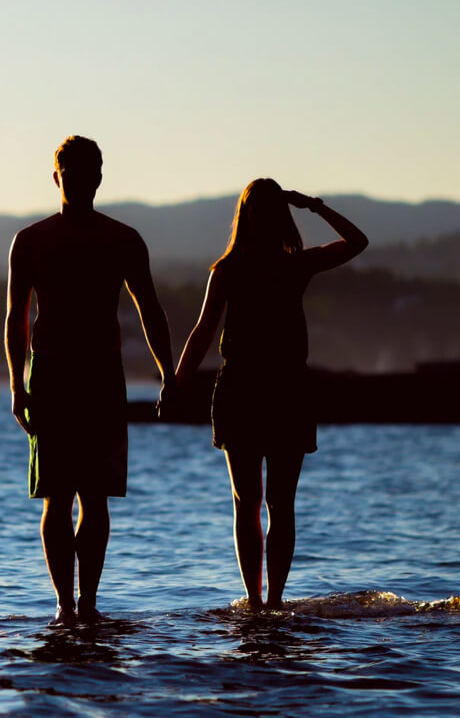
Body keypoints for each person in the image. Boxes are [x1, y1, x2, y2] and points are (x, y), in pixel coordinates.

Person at [173, 179, 368, 610]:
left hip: (265, 388)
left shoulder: (265, 266)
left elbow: (202, 332)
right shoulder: (262, 267)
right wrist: (313, 207)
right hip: (265, 388)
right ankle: (266, 601)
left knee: (260, 504)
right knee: (270, 504)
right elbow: (203, 332)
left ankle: (264, 602)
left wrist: (175, 383)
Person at [5, 136, 174, 627]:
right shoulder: (32, 240)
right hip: (55, 372)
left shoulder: (121, 239)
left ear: (98, 177)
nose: (79, 180)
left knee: (90, 496)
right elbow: (16, 317)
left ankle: (84, 604)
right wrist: (17, 384)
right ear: (58, 177)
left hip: (98, 374)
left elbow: (151, 311)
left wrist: (170, 374)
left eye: (86, 172)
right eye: (72, 173)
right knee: (61, 496)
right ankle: (67, 604)